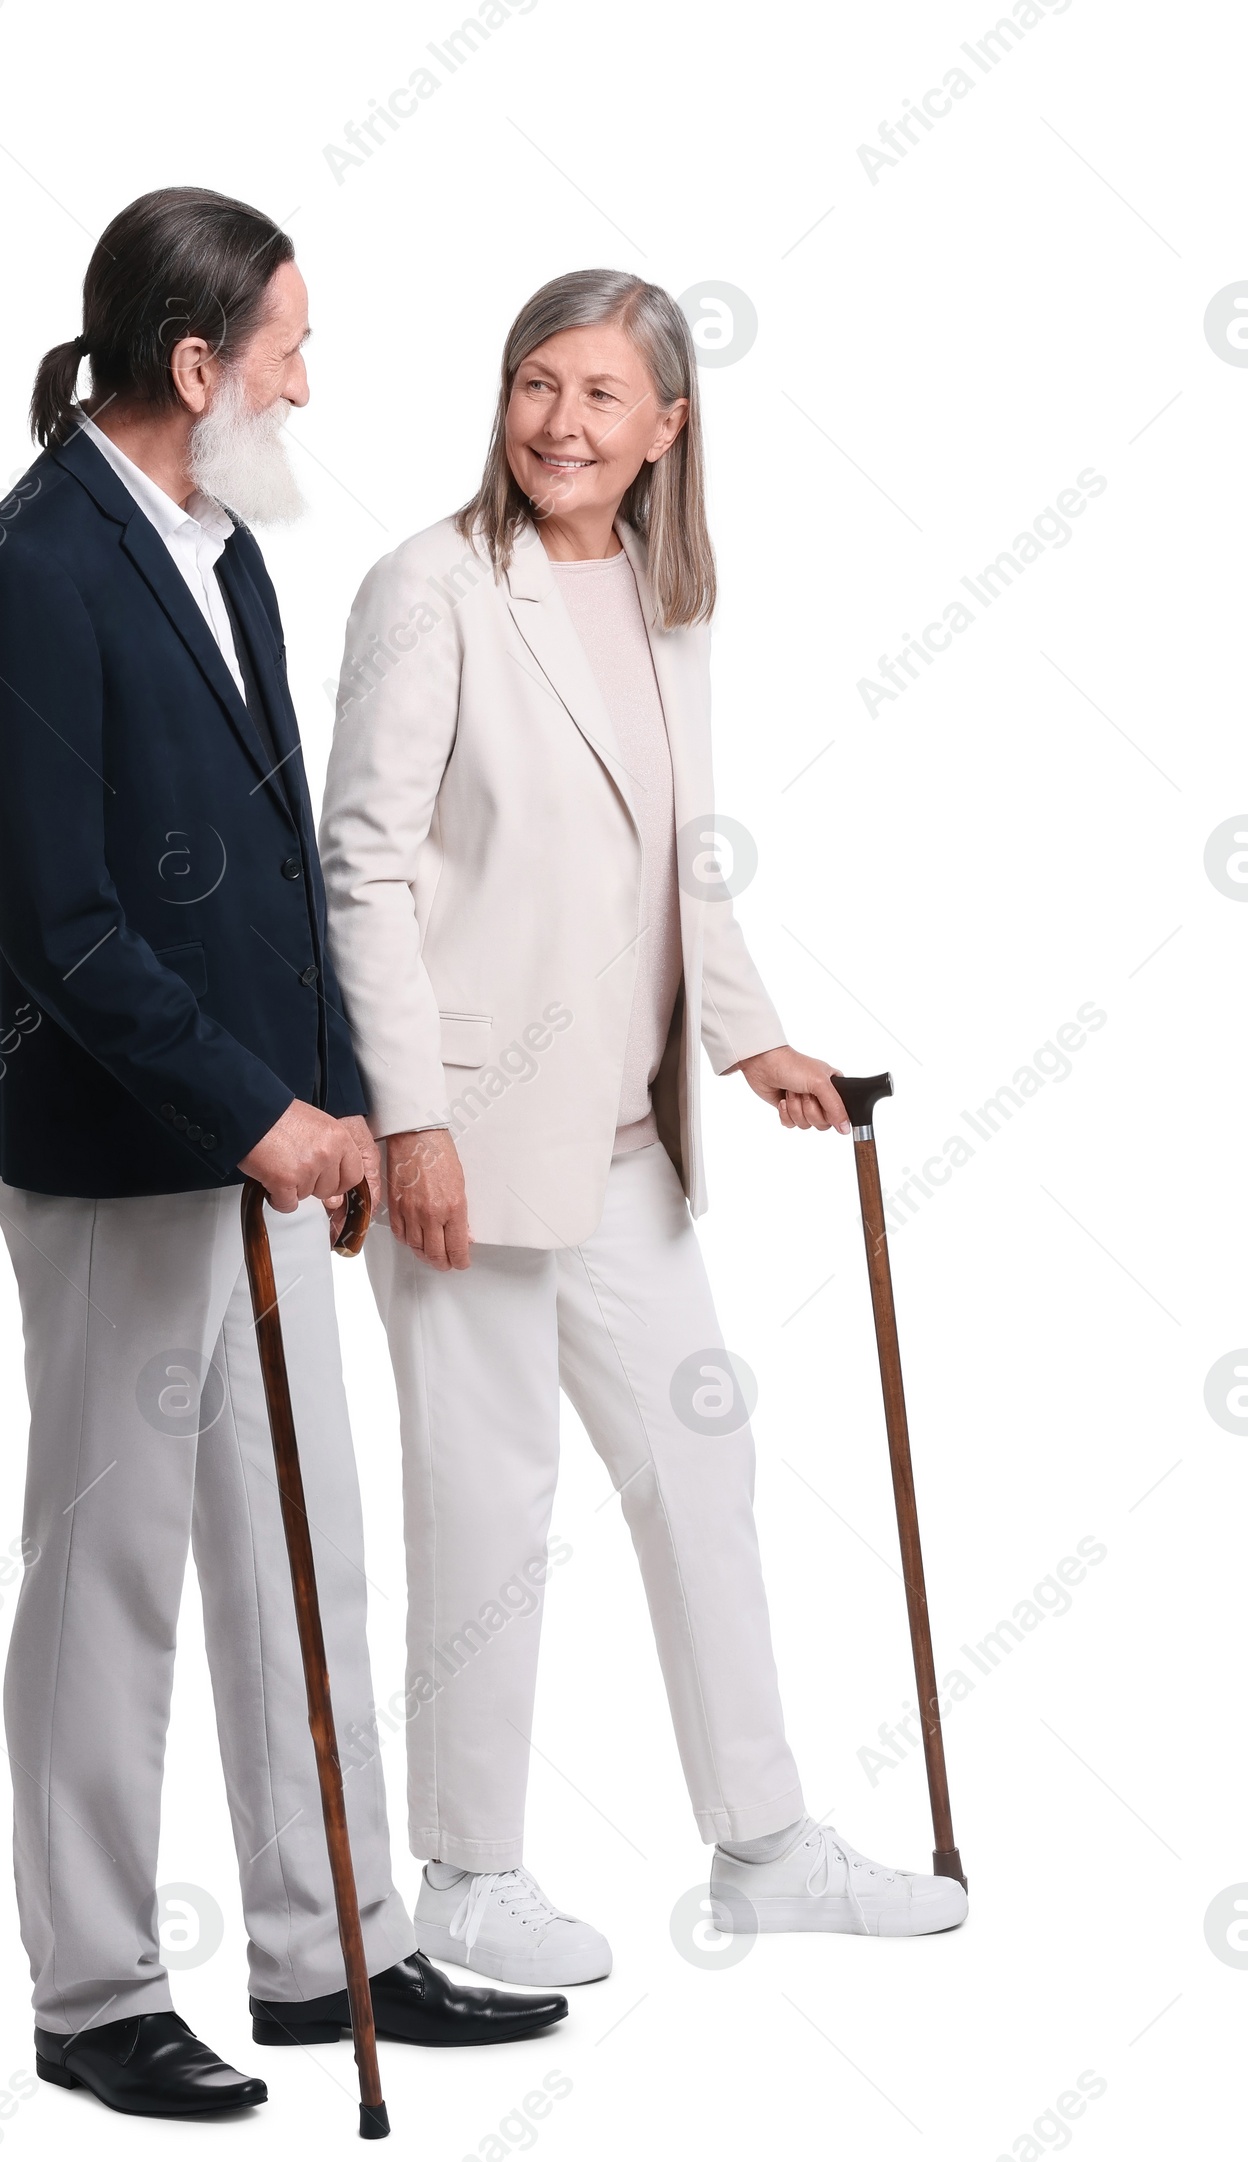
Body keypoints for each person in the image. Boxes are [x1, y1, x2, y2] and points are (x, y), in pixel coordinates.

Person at [0, 188, 565, 2120]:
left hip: (278, 1144)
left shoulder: (227, 552)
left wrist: (342, 1102)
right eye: (288, 347)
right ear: (197, 367)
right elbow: (65, 917)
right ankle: (95, 1992)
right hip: (122, 1151)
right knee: (114, 1568)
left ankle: (332, 1953)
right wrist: (253, 1109)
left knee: (307, 1566)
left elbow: (284, 876)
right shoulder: (31, 567)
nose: (310, 378)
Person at [318, 268, 969, 1987]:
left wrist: (754, 1043)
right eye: (540, 382)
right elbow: (361, 869)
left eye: (604, 396)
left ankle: (762, 1848)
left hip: (625, 1147)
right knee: (486, 1507)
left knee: (701, 1465)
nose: (561, 422)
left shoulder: (670, 602)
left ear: (669, 428)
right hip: (462, 1141)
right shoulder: (432, 588)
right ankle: (467, 1880)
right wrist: (412, 1125)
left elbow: (679, 855)